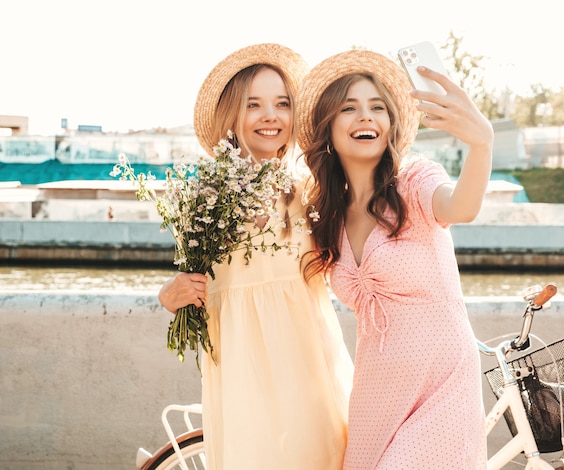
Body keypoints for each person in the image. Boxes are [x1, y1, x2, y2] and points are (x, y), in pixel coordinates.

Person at [157, 43, 354, 470]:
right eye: (254, 104)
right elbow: (186, 280)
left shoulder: (310, 190)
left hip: (307, 364)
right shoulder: (205, 196)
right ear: (231, 114)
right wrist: (171, 295)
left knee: (318, 456)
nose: (271, 116)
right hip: (240, 365)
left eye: (283, 104)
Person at [297, 49, 493, 469]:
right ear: (327, 129)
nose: (365, 117)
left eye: (377, 107)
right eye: (349, 108)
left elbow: (461, 206)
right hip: (376, 391)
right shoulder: (326, 216)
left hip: (442, 385)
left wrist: (482, 143)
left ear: (390, 124)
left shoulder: (415, 181)